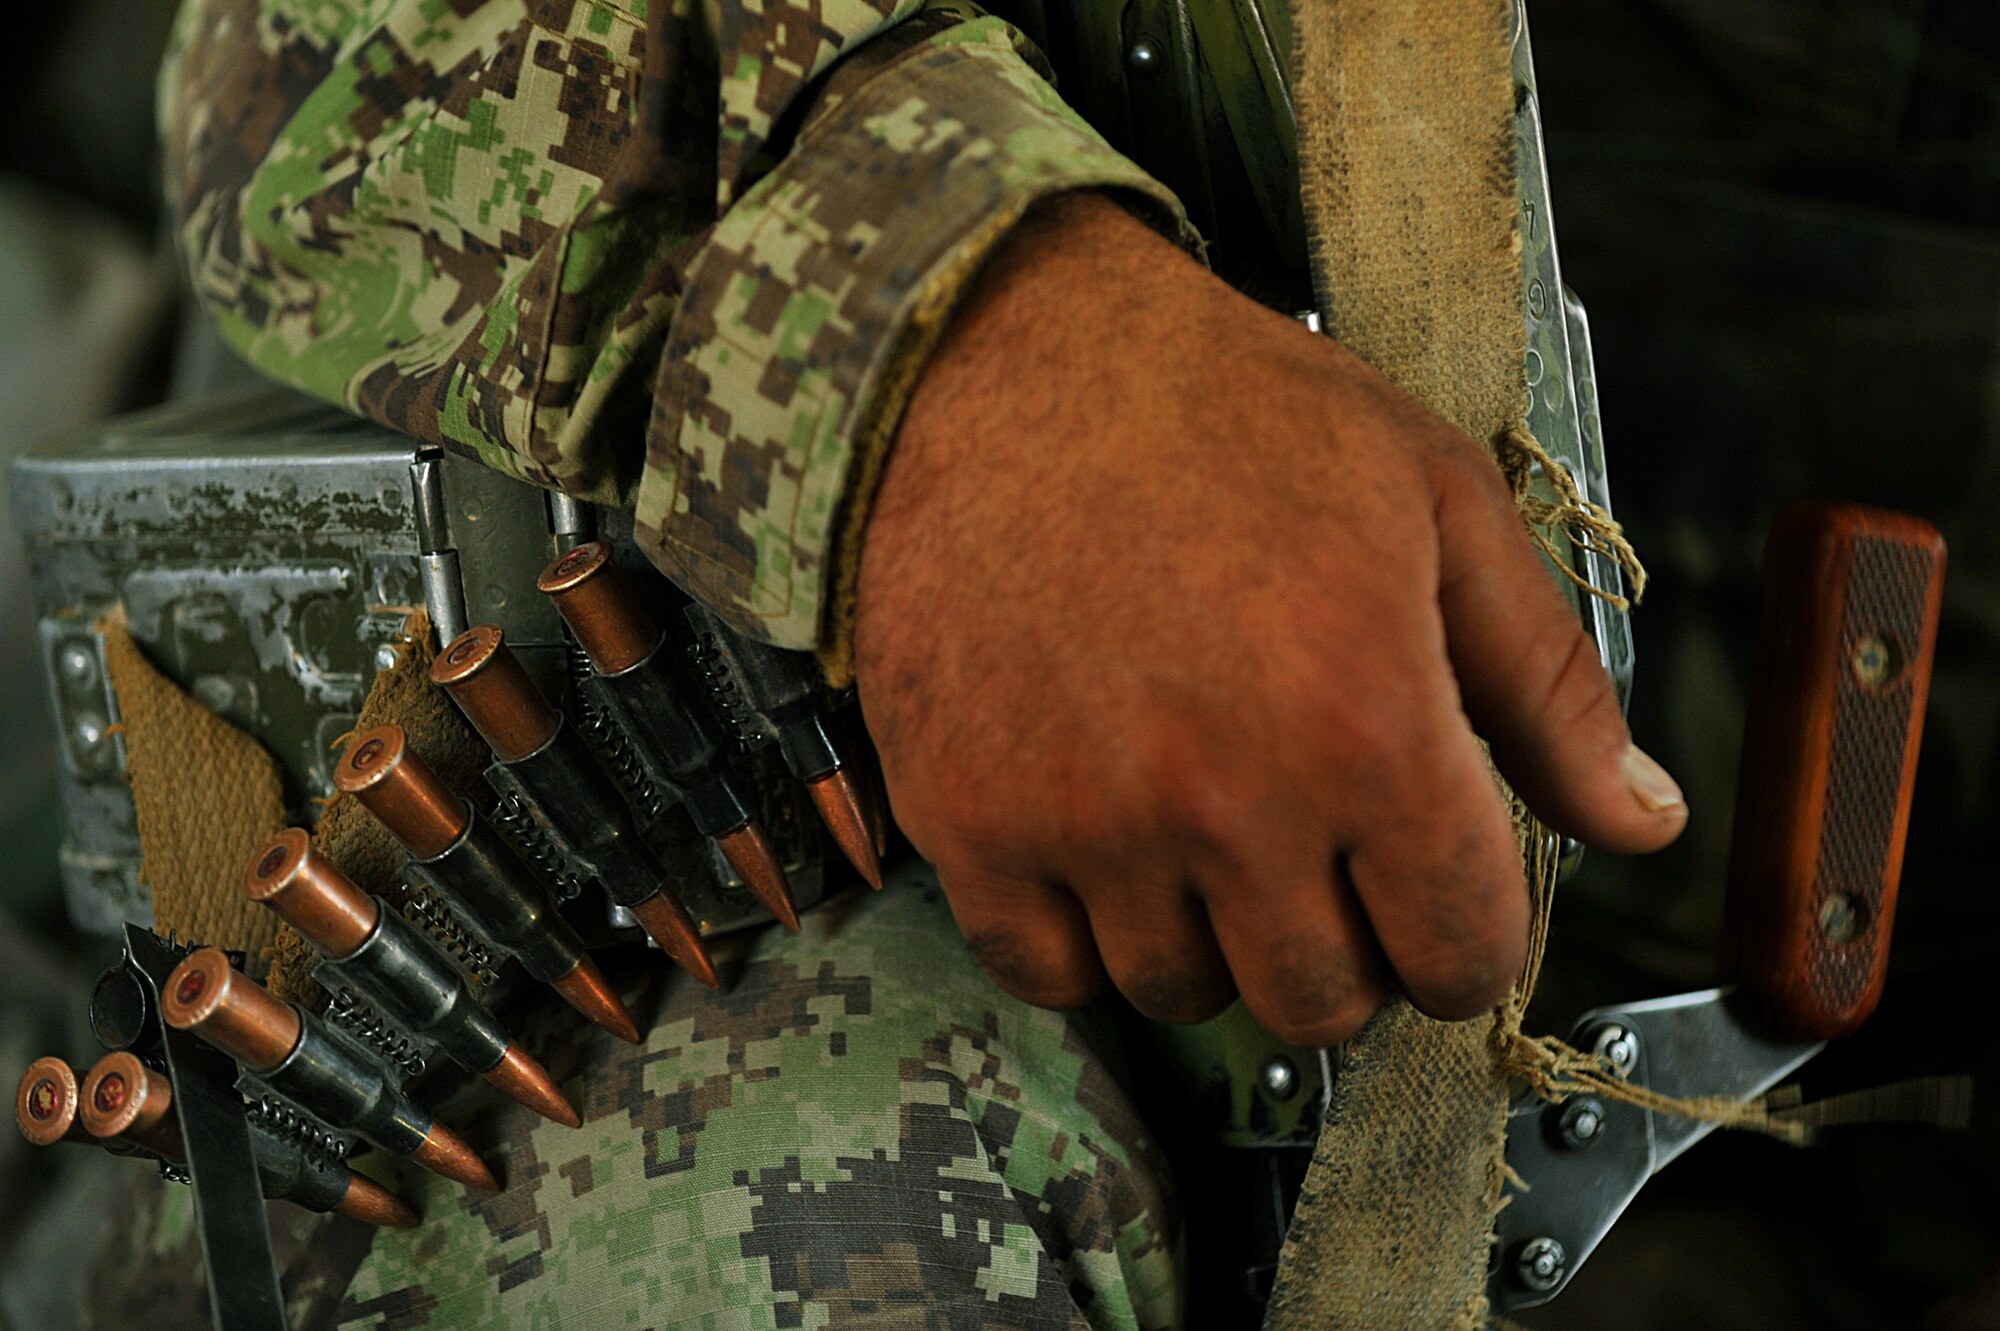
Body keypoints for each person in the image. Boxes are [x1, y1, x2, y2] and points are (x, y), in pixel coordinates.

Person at [119, 0, 1686, 1323]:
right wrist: (940, 357)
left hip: (1715, 1071)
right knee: (795, 1216)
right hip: (809, 851)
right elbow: (290, 56)